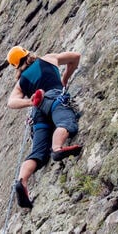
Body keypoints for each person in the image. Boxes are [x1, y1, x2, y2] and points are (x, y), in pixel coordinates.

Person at [6, 45, 82, 209]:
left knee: (38, 153)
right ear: (28, 54)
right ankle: (57, 148)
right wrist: (64, 79)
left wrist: (30, 102)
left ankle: (22, 181)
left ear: (16, 66)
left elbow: (11, 102)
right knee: (66, 122)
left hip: (38, 110)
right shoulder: (48, 58)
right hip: (54, 98)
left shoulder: (21, 82)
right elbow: (75, 57)